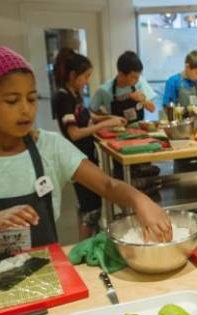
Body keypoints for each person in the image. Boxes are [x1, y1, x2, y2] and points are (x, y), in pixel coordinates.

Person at [0, 44, 171, 262]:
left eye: (32, 98)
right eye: (12, 101)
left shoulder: (50, 147)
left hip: (45, 274)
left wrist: (139, 199)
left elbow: (107, 185)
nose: (26, 109)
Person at [52, 48, 126, 239]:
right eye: (85, 76)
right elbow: (74, 133)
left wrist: (108, 117)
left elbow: (86, 116)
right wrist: (107, 124)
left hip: (85, 155)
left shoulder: (73, 94)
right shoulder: (63, 98)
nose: (87, 81)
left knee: (90, 205)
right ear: (72, 75)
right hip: (77, 159)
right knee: (90, 208)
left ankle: (88, 242)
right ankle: (84, 246)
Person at [91, 51, 156, 123]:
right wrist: (107, 117)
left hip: (138, 130)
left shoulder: (140, 83)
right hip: (115, 131)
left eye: (138, 76)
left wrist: (144, 101)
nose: (137, 80)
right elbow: (91, 112)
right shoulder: (104, 90)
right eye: (133, 77)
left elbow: (152, 109)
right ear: (121, 74)